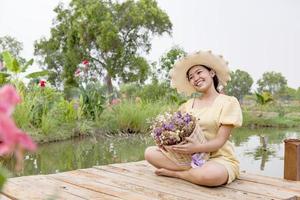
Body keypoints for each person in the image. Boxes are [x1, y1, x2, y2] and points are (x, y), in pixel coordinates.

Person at [144, 50, 242, 186]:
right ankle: (193, 172)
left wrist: (197, 147)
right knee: (150, 153)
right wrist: (167, 142)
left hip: (219, 159)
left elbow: (220, 141)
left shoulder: (228, 102)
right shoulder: (187, 106)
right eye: (191, 77)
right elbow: (179, 136)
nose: (195, 78)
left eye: (199, 72)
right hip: (189, 158)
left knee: (211, 175)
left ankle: (177, 174)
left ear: (212, 73)